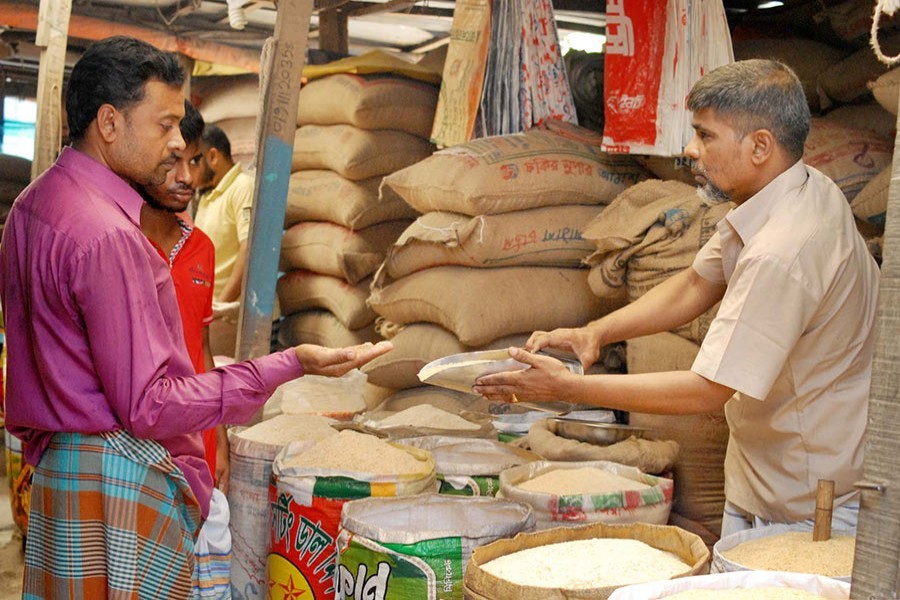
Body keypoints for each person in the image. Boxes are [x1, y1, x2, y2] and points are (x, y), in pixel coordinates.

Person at [0, 36, 391, 599]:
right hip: (117, 478)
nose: (176, 144)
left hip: (60, 470)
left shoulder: (31, 206)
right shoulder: (111, 238)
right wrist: (288, 364)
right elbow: (150, 404)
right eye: (163, 125)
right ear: (109, 123)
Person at [474, 59, 879, 537]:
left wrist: (569, 389)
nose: (690, 150)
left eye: (706, 135)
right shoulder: (795, 191)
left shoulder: (782, 252)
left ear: (760, 146)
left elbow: (708, 387)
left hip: (808, 502)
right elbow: (694, 283)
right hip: (772, 477)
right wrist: (596, 333)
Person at [138, 99, 233, 598]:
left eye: (195, 161)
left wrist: (219, 431)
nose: (187, 176)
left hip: (196, 442)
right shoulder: (118, 241)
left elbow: (202, 344)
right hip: (140, 445)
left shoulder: (202, 247)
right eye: (175, 161)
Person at [189, 124, 254, 357]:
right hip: (213, 317)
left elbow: (249, 251)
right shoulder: (207, 195)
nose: (189, 171)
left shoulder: (242, 188)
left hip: (233, 319)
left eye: (195, 161)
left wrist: (220, 307)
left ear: (213, 156)